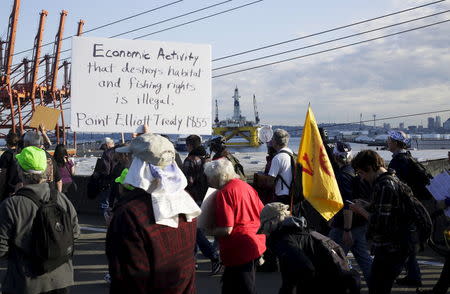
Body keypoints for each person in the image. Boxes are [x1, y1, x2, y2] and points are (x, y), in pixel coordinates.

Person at [106, 133, 201, 294]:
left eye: (129, 157)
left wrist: (116, 230)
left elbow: (128, 282)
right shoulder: (186, 202)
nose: (126, 161)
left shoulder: (131, 214)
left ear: (138, 166)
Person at [0, 146, 80, 294]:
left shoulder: (11, 205)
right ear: (46, 171)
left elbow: (2, 248)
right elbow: (74, 232)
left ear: (20, 171)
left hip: (26, 282)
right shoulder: (60, 198)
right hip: (61, 279)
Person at [259, 202, 360, 294]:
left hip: (328, 284)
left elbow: (306, 268)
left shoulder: (285, 240)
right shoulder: (302, 229)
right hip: (338, 281)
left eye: (264, 225)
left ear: (272, 222)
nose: (263, 230)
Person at [349, 150, 414, 294]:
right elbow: (388, 210)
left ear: (370, 168)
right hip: (397, 246)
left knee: (379, 288)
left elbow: (381, 223)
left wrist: (360, 210)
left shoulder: (384, 185)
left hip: (389, 249)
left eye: (361, 173)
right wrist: (367, 205)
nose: (362, 178)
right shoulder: (392, 178)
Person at [204, 158, 266, 294]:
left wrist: (209, 230)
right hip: (255, 241)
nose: (208, 181)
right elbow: (263, 212)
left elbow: (227, 229)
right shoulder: (245, 186)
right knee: (233, 285)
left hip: (239, 248)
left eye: (210, 177)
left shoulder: (224, 193)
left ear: (219, 177)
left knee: (243, 288)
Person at [328, 142, 372, 284]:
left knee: (333, 259)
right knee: (364, 260)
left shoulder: (342, 176)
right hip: (360, 223)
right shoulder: (355, 171)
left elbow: (348, 204)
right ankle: (377, 286)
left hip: (345, 226)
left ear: (335, 157)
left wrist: (347, 229)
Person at [386, 130, 424, 287]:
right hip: (411, 206)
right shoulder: (408, 158)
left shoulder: (397, 162)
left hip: (402, 209)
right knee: (405, 243)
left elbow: (395, 186)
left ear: (395, 143)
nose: (387, 142)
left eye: (389, 140)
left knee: (403, 243)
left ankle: (412, 276)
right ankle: (412, 275)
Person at [182, 134, 221, 275]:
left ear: (189, 145)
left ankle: (212, 256)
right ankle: (194, 261)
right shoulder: (208, 159)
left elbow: (187, 182)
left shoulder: (190, 160)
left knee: (195, 231)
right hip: (208, 197)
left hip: (194, 198)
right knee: (196, 231)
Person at [267, 129, 294, 206]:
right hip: (293, 193)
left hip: (281, 196)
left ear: (275, 141)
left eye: (272, 139)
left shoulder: (278, 157)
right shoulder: (292, 154)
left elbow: (270, 181)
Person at [0, 131, 20, 201]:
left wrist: (1, 189)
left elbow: (3, 174)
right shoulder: (22, 153)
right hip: (20, 188)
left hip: (9, 189)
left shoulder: (6, 155)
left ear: (7, 143)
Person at [97, 137, 116, 213]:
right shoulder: (119, 152)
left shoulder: (107, 154)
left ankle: (106, 219)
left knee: (105, 203)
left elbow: (106, 170)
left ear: (106, 145)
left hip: (107, 182)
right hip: (118, 182)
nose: (103, 149)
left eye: (103, 147)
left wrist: (98, 173)